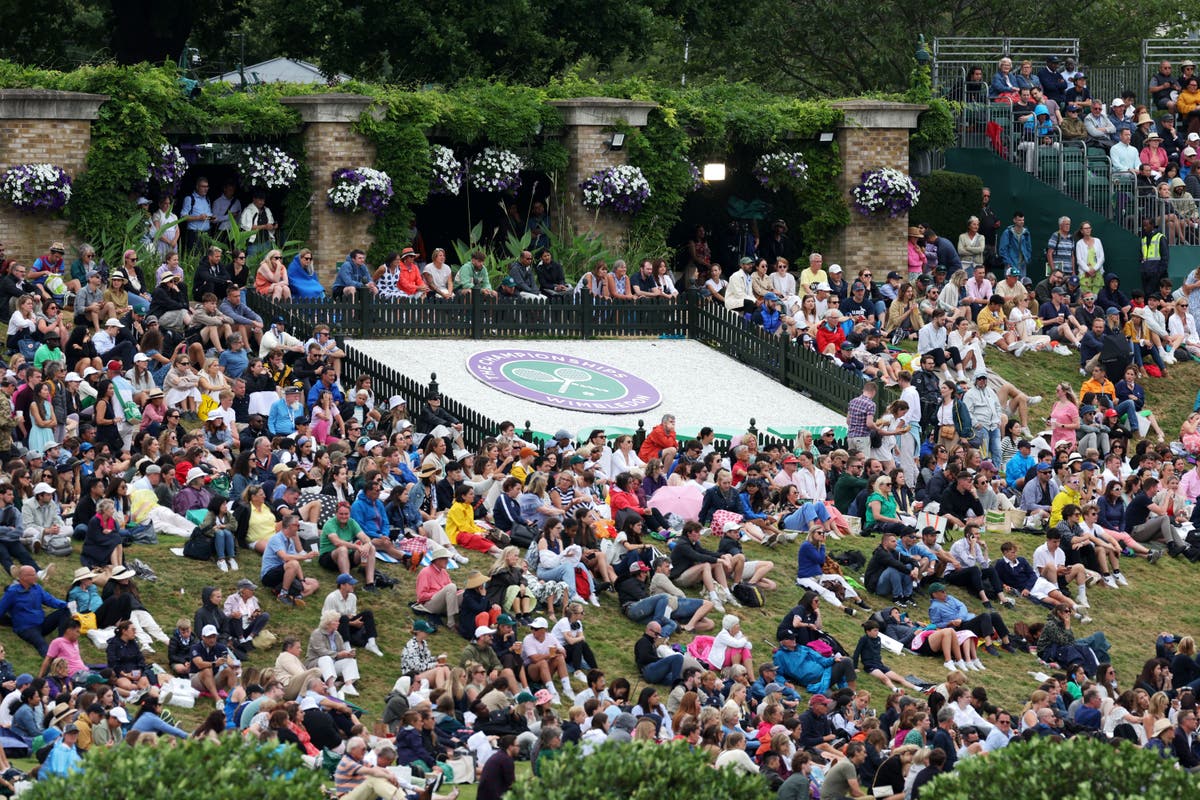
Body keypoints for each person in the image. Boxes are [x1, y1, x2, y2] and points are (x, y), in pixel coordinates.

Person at [322, 573, 383, 657]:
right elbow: (328, 619)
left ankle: (372, 644)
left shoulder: (352, 597)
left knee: (368, 613)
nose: (353, 586)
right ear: (342, 585)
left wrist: (354, 622)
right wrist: (352, 623)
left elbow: (352, 615)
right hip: (334, 627)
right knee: (343, 618)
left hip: (348, 623)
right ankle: (347, 647)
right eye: (350, 584)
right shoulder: (332, 598)